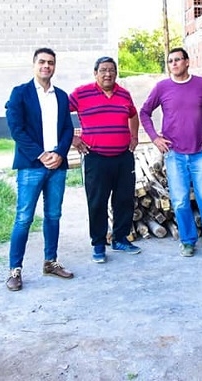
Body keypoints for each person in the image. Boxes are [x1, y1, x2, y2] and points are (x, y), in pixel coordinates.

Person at [140, 48, 202, 258]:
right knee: (180, 201)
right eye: (170, 61)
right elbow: (144, 112)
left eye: (177, 60)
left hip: (200, 153)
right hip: (174, 154)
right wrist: (155, 137)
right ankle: (187, 241)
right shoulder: (162, 87)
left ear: (187, 62)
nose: (174, 64)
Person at [4, 47, 75, 291]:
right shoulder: (20, 93)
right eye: (42, 62)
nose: (46, 66)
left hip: (57, 164)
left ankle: (50, 262)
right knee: (24, 217)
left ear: (55, 66)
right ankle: (15, 270)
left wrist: (60, 153)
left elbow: (67, 128)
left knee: (53, 215)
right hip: (31, 165)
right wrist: (41, 154)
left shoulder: (61, 96)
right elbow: (16, 129)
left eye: (51, 62)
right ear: (34, 64)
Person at [69, 56, 142, 263]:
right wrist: (72, 138)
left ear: (116, 73)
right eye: (103, 70)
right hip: (95, 158)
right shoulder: (81, 93)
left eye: (111, 70)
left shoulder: (124, 94)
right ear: (95, 73)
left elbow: (133, 115)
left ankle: (120, 239)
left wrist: (134, 136)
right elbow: (59, 113)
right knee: (97, 202)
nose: (107, 74)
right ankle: (99, 244)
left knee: (124, 200)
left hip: (123, 157)